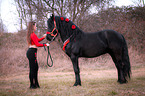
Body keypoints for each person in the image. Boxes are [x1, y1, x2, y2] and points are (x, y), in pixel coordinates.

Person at [26, 21, 49, 89]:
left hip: (32, 52)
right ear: (32, 26)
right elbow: (37, 44)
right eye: (35, 26)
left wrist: (43, 37)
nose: (36, 27)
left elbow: (37, 40)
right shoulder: (32, 34)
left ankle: (36, 84)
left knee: (35, 68)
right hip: (32, 52)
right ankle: (32, 85)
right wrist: (45, 44)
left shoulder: (33, 34)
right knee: (33, 69)